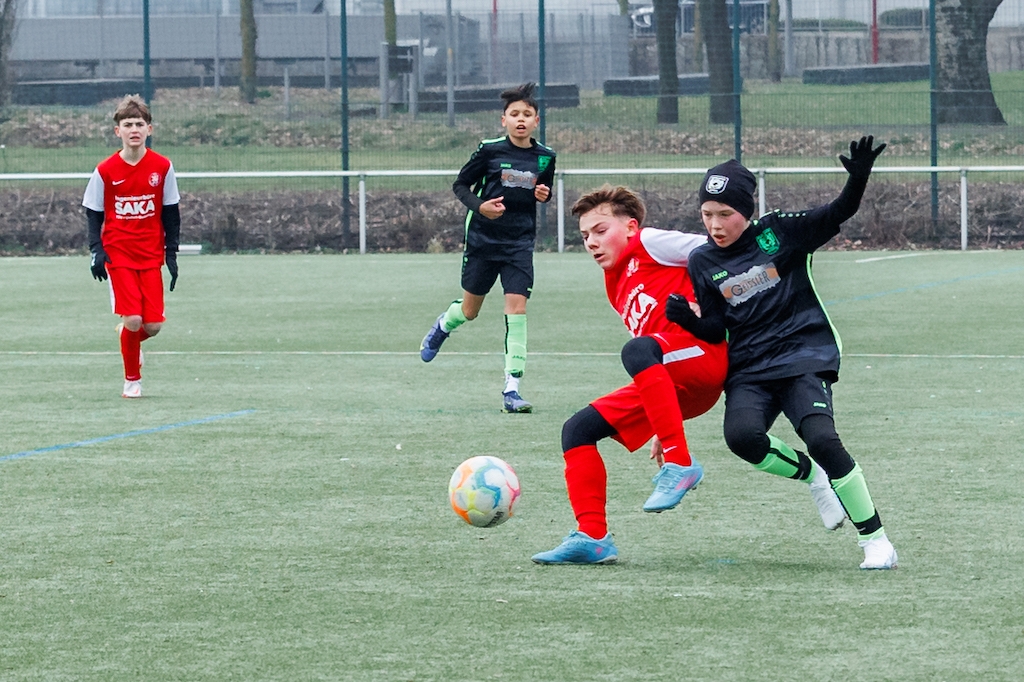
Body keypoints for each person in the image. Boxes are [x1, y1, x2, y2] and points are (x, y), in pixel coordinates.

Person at [531, 186, 845, 565]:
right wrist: (663, 417)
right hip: (670, 374)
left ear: (630, 227)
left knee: (638, 350)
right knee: (577, 431)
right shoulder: (614, 284)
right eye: (584, 236)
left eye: (600, 230)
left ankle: (680, 463)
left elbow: (713, 251)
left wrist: (709, 299)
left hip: (703, 355)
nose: (591, 242)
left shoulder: (649, 243)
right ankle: (593, 537)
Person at [665, 136, 898, 570]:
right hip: (750, 368)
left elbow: (839, 211)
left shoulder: (779, 233)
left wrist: (858, 178)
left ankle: (876, 540)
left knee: (823, 439)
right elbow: (716, 328)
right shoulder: (702, 261)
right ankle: (813, 475)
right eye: (707, 214)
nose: (715, 224)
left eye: (725, 214)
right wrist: (687, 320)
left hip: (802, 355)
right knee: (741, 438)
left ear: (746, 211)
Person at [419, 83, 556, 413]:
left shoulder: (545, 156)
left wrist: (545, 194)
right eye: (514, 114)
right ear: (503, 120)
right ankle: (444, 325)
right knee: (470, 311)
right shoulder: (489, 150)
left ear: (536, 121)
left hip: (519, 243)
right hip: (483, 240)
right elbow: (460, 185)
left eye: (527, 114)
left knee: (517, 310)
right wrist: (481, 207)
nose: (520, 119)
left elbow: (543, 188)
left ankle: (512, 388)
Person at [83, 94, 181, 399]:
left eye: (139, 124)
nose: (134, 129)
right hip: (119, 253)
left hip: (150, 254)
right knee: (134, 319)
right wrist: (96, 250)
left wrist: (171, 253)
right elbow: (93, 212)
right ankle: (132, 381)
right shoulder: (106, 170)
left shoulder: (162, 167)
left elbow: (171, 212)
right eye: (128, 124)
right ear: (118, 131)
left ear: (149, 129)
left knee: (152, 326)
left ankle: (129, 338)